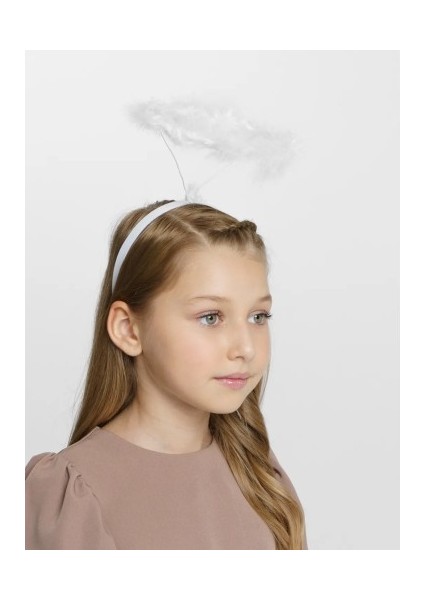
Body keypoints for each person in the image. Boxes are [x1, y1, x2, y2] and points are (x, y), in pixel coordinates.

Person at [25, 199, 308, 550]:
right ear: (129, 329)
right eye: (210, 317)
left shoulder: (260, 476)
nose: (246, 348)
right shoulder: (71, 493)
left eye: (258, 317)